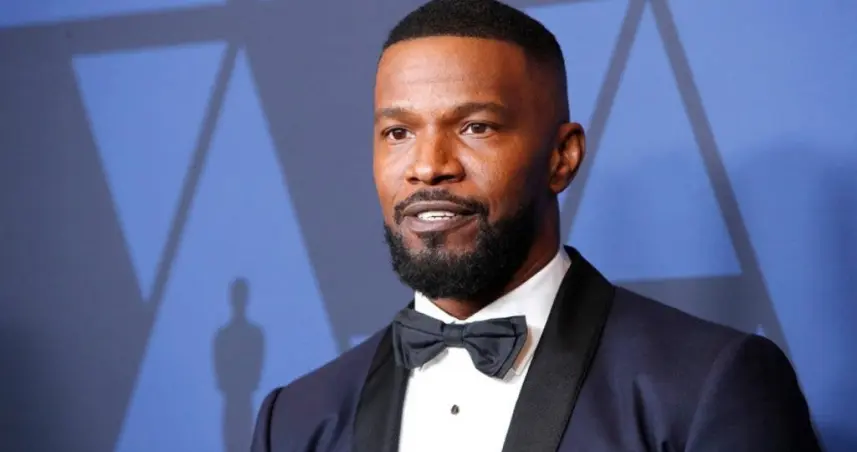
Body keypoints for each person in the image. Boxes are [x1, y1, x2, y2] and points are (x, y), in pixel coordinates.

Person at [250, 0, 821, 450]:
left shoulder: (707, 386)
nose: (428, 166)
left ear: (561, 157)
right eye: (398, 133)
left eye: (476, 127)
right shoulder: (295, 420)